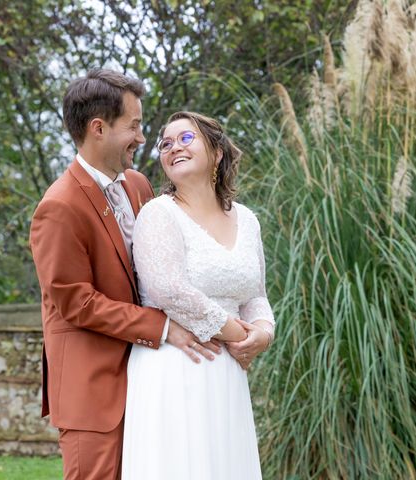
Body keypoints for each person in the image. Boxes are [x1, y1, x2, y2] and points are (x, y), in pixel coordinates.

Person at [30, 70, 220, 479]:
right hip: (93, 387)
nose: (141, 137)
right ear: (99, 128)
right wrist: (163, 327)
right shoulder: (59, 207)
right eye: (133, 126)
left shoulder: (137, 185)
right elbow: (75, 302)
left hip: (150, 379)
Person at [121, 111, 275, 479]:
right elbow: (168, 289)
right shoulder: (158, 214)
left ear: (217, 152)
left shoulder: (247, 219)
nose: (174, 147)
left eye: (186, 138)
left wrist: (263, 333)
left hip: (227, 373)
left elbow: (256, 295)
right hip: (176, 365)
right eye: (165, 144)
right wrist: (237, 334)